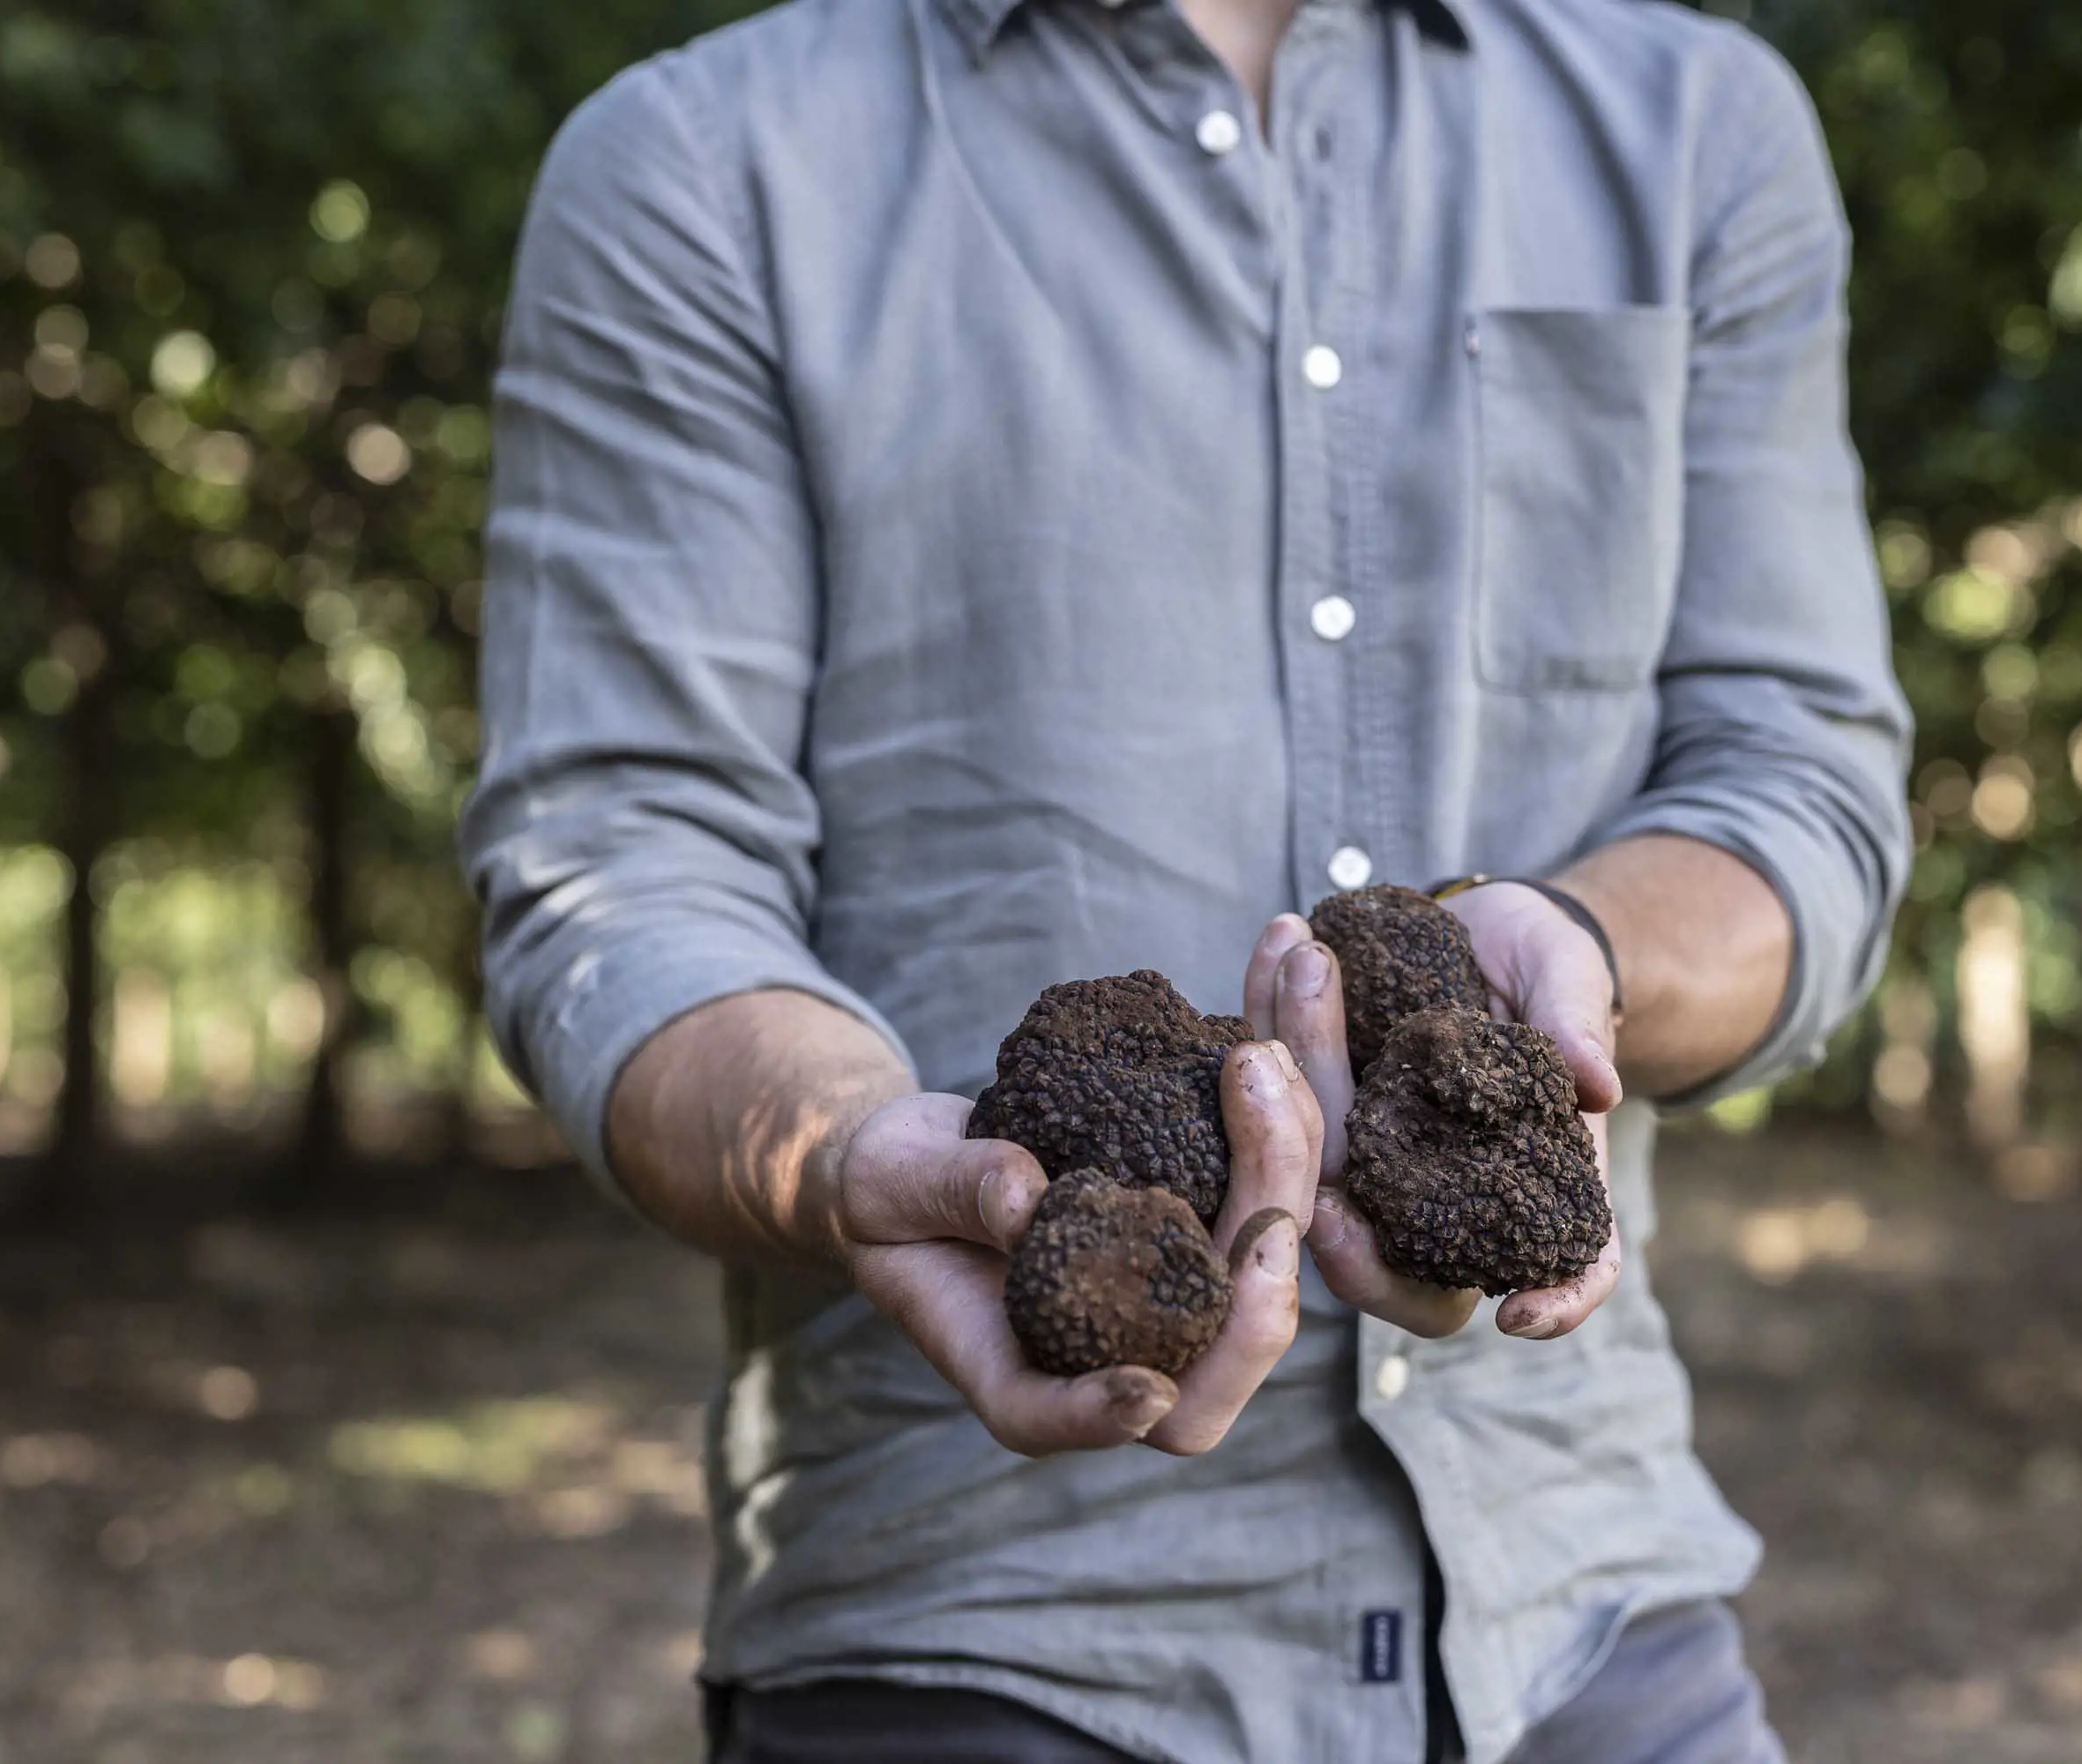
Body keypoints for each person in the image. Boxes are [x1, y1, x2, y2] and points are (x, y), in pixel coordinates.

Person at [460, 0, 1910, 1751]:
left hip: (1586, 1606)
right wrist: (854, 1152)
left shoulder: (1693, 119)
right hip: (978, 1627)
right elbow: (619, 871)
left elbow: (1799, 786)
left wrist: (1583, 953)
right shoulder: (696, 165)